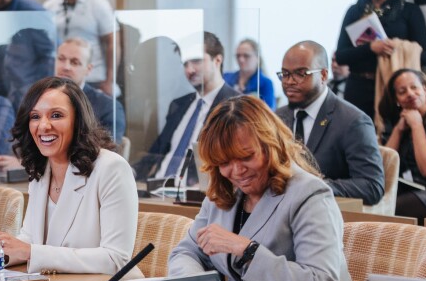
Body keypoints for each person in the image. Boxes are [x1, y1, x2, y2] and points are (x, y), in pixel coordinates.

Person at [168, 96, 362, 281]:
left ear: (271, 145)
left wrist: (247, 249)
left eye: (246, 157)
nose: (237, 171)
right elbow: (185, 253)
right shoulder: (222, 193)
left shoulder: (309, 194)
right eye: (224, 163)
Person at [0, 77, 139, 275]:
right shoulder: (41, 170)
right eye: (35, 117)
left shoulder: (112, 168)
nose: (43, 126)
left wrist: (30, 251)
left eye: (56, 115)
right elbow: (30, 241)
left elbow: (116, 259)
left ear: (78, 121)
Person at [275, 41, 384, 206]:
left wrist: (314, 186)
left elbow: (372, 186)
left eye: (300, 73)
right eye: (285, 74)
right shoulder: (278, 117)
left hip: (327, 213)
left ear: (324, 75)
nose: (289, 81)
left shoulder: (352, 121)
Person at [336, 0, 426, 121]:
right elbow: (342, 55)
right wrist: (371, 48)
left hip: (393, 89)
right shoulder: (355, 11)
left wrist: (398, 47)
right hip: (359, 87)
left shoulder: (409, 11)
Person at [132, 32, 237, 184]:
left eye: (196, 61)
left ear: (217, 60)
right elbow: (154, 153)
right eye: (185, 63)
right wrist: (129, 172)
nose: (189, 70)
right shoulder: (179, 105)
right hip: (156, 190)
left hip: (198, 198)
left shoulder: (235, 106)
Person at [378, 68, 426, 222]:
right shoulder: (396, 122)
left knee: (391, 209)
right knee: (373, 200)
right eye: (402, 91)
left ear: (425, 90)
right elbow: (384, 167)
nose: (410, 94)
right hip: (409, 187)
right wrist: (399, 129)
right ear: (397, 99)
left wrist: (417, 125)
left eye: (414, 88)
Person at [43, 0, 119, 97]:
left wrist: (109, 80)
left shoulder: (99, 4)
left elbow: (113, 44)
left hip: (94, 80)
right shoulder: (50, 6)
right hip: (61, 79)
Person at [55, 37, 126, 140]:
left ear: (88, 69)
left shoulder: (109, 108)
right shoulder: (39, 98)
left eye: (75, 62)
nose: (66, 67)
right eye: (61, 59)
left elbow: (107, 151)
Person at [223, 38, 275, 109]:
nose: (241, 59)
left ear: (257, 58)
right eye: (238, 56)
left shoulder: (265, 83)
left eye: (246, 56)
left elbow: (268, 112)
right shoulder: (226, 77)